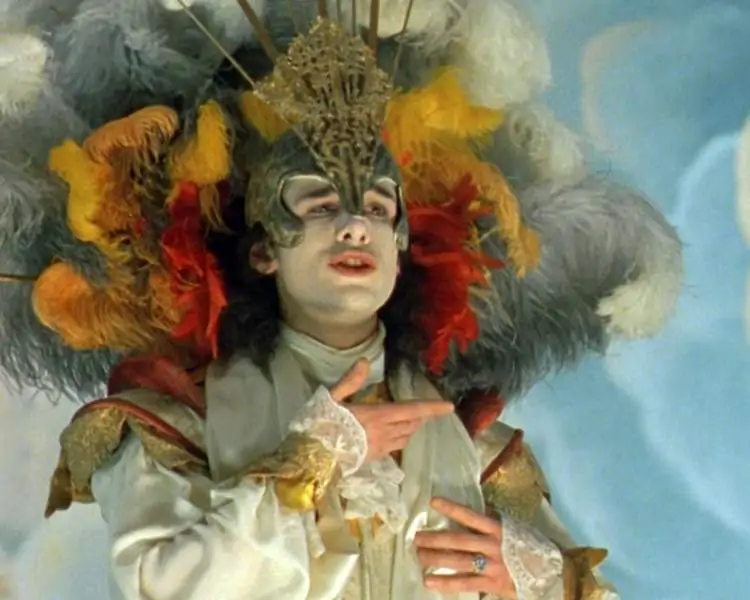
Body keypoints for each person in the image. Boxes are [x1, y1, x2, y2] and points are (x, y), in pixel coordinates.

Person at [0, 1, 683, 599]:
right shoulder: (177, 423)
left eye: (379, 208)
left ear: (402, 248)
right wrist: (310, 461)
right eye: (320, 205)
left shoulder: (475, 450)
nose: (356, 226)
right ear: (265, 251)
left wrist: (537, 580)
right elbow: (165, 586)